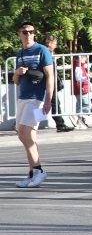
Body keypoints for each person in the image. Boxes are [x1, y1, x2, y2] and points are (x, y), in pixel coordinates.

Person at [12, 21, 54, 187]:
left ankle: (38, 171)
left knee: (24, 133)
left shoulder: (42, 50)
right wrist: (17, 72)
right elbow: (16, 81)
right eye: (24, 32)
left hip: (37, 98)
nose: (28, 34)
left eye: (31, 31)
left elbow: (50, 76)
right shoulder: (20, 53)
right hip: (23, 98)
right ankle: (32, 172)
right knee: (28, 136)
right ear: (19, 34)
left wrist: (48, 100)